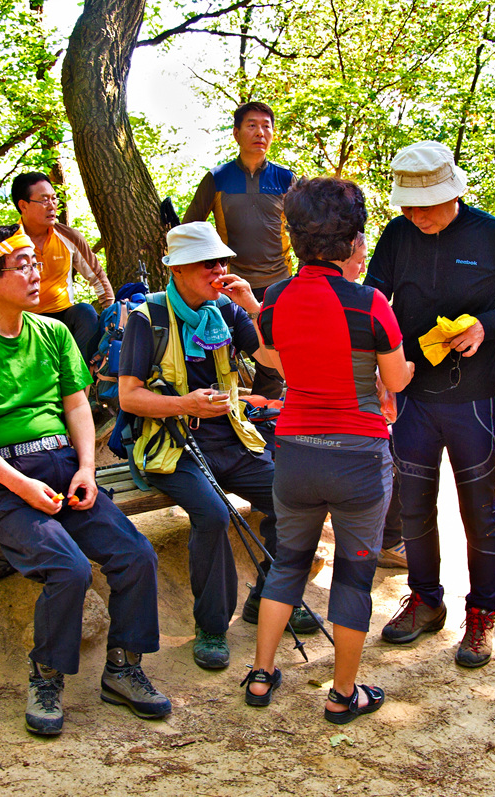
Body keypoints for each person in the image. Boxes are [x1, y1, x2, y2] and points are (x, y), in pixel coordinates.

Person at [0, 224, 169, 736]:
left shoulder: (55, 334)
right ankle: (46, 677)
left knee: (136, 555)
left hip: (64, 466)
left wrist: (86, 468)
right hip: (4, 480)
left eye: (35, 264)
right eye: (22, 265)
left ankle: (123, 669)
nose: (35, 273)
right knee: (68, 569)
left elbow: (77, 405)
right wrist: (21, 486)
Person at [242, 177, 413, 723]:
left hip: (295, 452)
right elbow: (397, 381)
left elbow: (274, 359)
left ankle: (261, 675)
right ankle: (342, 694)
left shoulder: (276, 299)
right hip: (359, 456)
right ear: (351, 240)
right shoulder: (370, 304)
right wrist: (405, 364)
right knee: (353, 576)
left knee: (287, 565)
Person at [365, 141, 495, 668]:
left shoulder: (493, 235)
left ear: (453, 194)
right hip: (413, 392)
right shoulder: (398, 235)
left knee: (479, 508)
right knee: (414, 503)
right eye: (406, 206)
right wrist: (381, 368)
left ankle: (482, 613)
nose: (414, 215)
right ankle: (425, 600)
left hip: (474, 397)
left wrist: (486, 326)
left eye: (424, 206)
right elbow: (375, 297)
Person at [118, 221, 320, 672]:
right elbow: (128, 397)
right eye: (208, 263)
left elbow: (278, 363)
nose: (219, 270)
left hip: (232, 438)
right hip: (171, 446)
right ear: (178, 269)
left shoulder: (227, 310)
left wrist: (254, 306)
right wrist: (183, 404)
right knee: (212, 515)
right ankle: (211, 627)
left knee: (292, 499)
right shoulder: (147, 319)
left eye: (222, 262)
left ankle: (271, 596)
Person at [182, 102, 294, 400]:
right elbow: (191, 228)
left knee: (274, 354)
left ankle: (263, 413)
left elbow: (303, 228)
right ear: (236, 133)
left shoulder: (286, 179)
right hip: (230, 283)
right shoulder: (218, 178)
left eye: (266, 126)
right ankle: (224, 407)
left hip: (278, 283)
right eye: (252, 125)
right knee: (222, 350)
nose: (260, 132)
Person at [10, 172, 114, 363]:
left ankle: (82, 377)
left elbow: (97, 277)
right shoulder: (7, 243)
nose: (52, 205)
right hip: (23, 320)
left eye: (54, 198)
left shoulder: (69, 237)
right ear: (23, 205)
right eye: (44, 200)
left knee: (85, 312)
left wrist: (112, 316)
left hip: (64, 318)